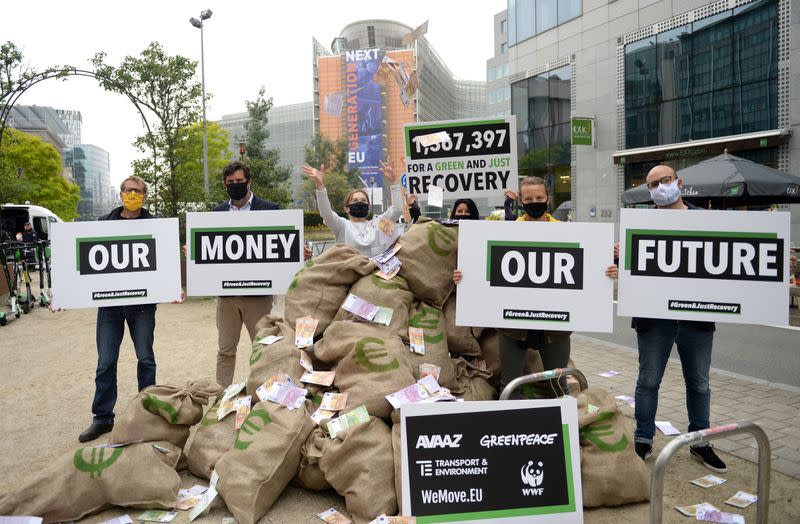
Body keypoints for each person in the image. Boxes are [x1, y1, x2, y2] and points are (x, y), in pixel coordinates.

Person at [606, 164, 727, 473]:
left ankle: (700, 442)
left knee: (699, 383)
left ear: (678, 183)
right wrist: (618, 265)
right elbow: (625, 271)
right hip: (653, 318)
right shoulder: (638, 226)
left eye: (665, 180)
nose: (660, 187)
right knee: (648, 381)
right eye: (653, 184)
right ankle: (643, 439)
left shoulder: (708, 222)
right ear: (649, 192)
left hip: (696, 318)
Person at [454, 177, 597, 393]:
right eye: (529, 198)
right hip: (513, 328)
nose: (535, 202)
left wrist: (605, 270)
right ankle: (514, 424)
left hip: (555, 327)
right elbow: (485, 267)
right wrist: (466, 277)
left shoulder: (567, 231)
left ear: (548, 198)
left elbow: (587, 268)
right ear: (521, 201)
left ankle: (559, 425)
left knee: (558, 386)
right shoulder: (507, 231)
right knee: (510, 386)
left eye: (539, 197)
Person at [79, 175, 159, 442]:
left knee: (145, 358)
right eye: (128, 190)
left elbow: (165, 265)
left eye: (138, 191)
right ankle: (102, 418)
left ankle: (146, 414)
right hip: (110, 306)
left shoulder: (156, 226)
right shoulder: (104, 224)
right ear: (121, 194)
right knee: (105, 362)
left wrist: (174, 288)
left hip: (143, 305)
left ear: (145, 196)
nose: (133, 194)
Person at [212, 161, 279, 388]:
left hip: (258, 295)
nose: (235, 185)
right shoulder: (217, 213)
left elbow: (280, 246)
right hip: (227, 296)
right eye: (230, 182)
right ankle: (222, 396)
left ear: (249, 182)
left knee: (263, 348)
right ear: (225, 185)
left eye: (239, 181)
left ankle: (264, 395)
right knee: (225, 349)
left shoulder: (270, 209)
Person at [302, 161, 403, 256]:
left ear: (368, 206)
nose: (359, 202)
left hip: (375, 273)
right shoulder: (342, 225)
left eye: (363, 200)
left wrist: (393, 182)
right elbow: (326, 214)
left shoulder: (378, 224)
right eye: (355, 200)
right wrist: (319, 185)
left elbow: (397, 210)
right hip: (350, 273)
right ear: (346, 208)